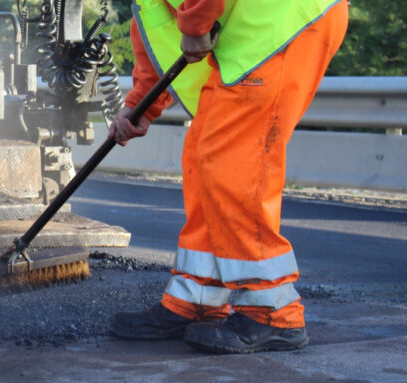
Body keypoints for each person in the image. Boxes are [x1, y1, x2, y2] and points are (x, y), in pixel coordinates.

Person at [107, 0, 348, 354]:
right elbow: (155, 25)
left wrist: (195, 26)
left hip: (282, 20)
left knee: (235, 161)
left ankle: (273, 311)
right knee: (204, 157)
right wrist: (143, 102)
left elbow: (191, 19)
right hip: (254, 31)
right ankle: (197, 298)